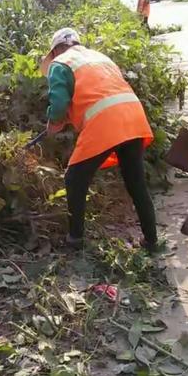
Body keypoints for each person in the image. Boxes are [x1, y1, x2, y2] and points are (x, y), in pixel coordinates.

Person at [40, 27, 158, 251]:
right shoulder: (100, 58)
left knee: (74, 179)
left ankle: (75, 239)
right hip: (133, 117)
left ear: (56, 51)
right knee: (136, 183)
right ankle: (151, 241)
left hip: (105, 123)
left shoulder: (60, 63)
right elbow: (99, 92)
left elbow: (58, 104)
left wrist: (54, 123)